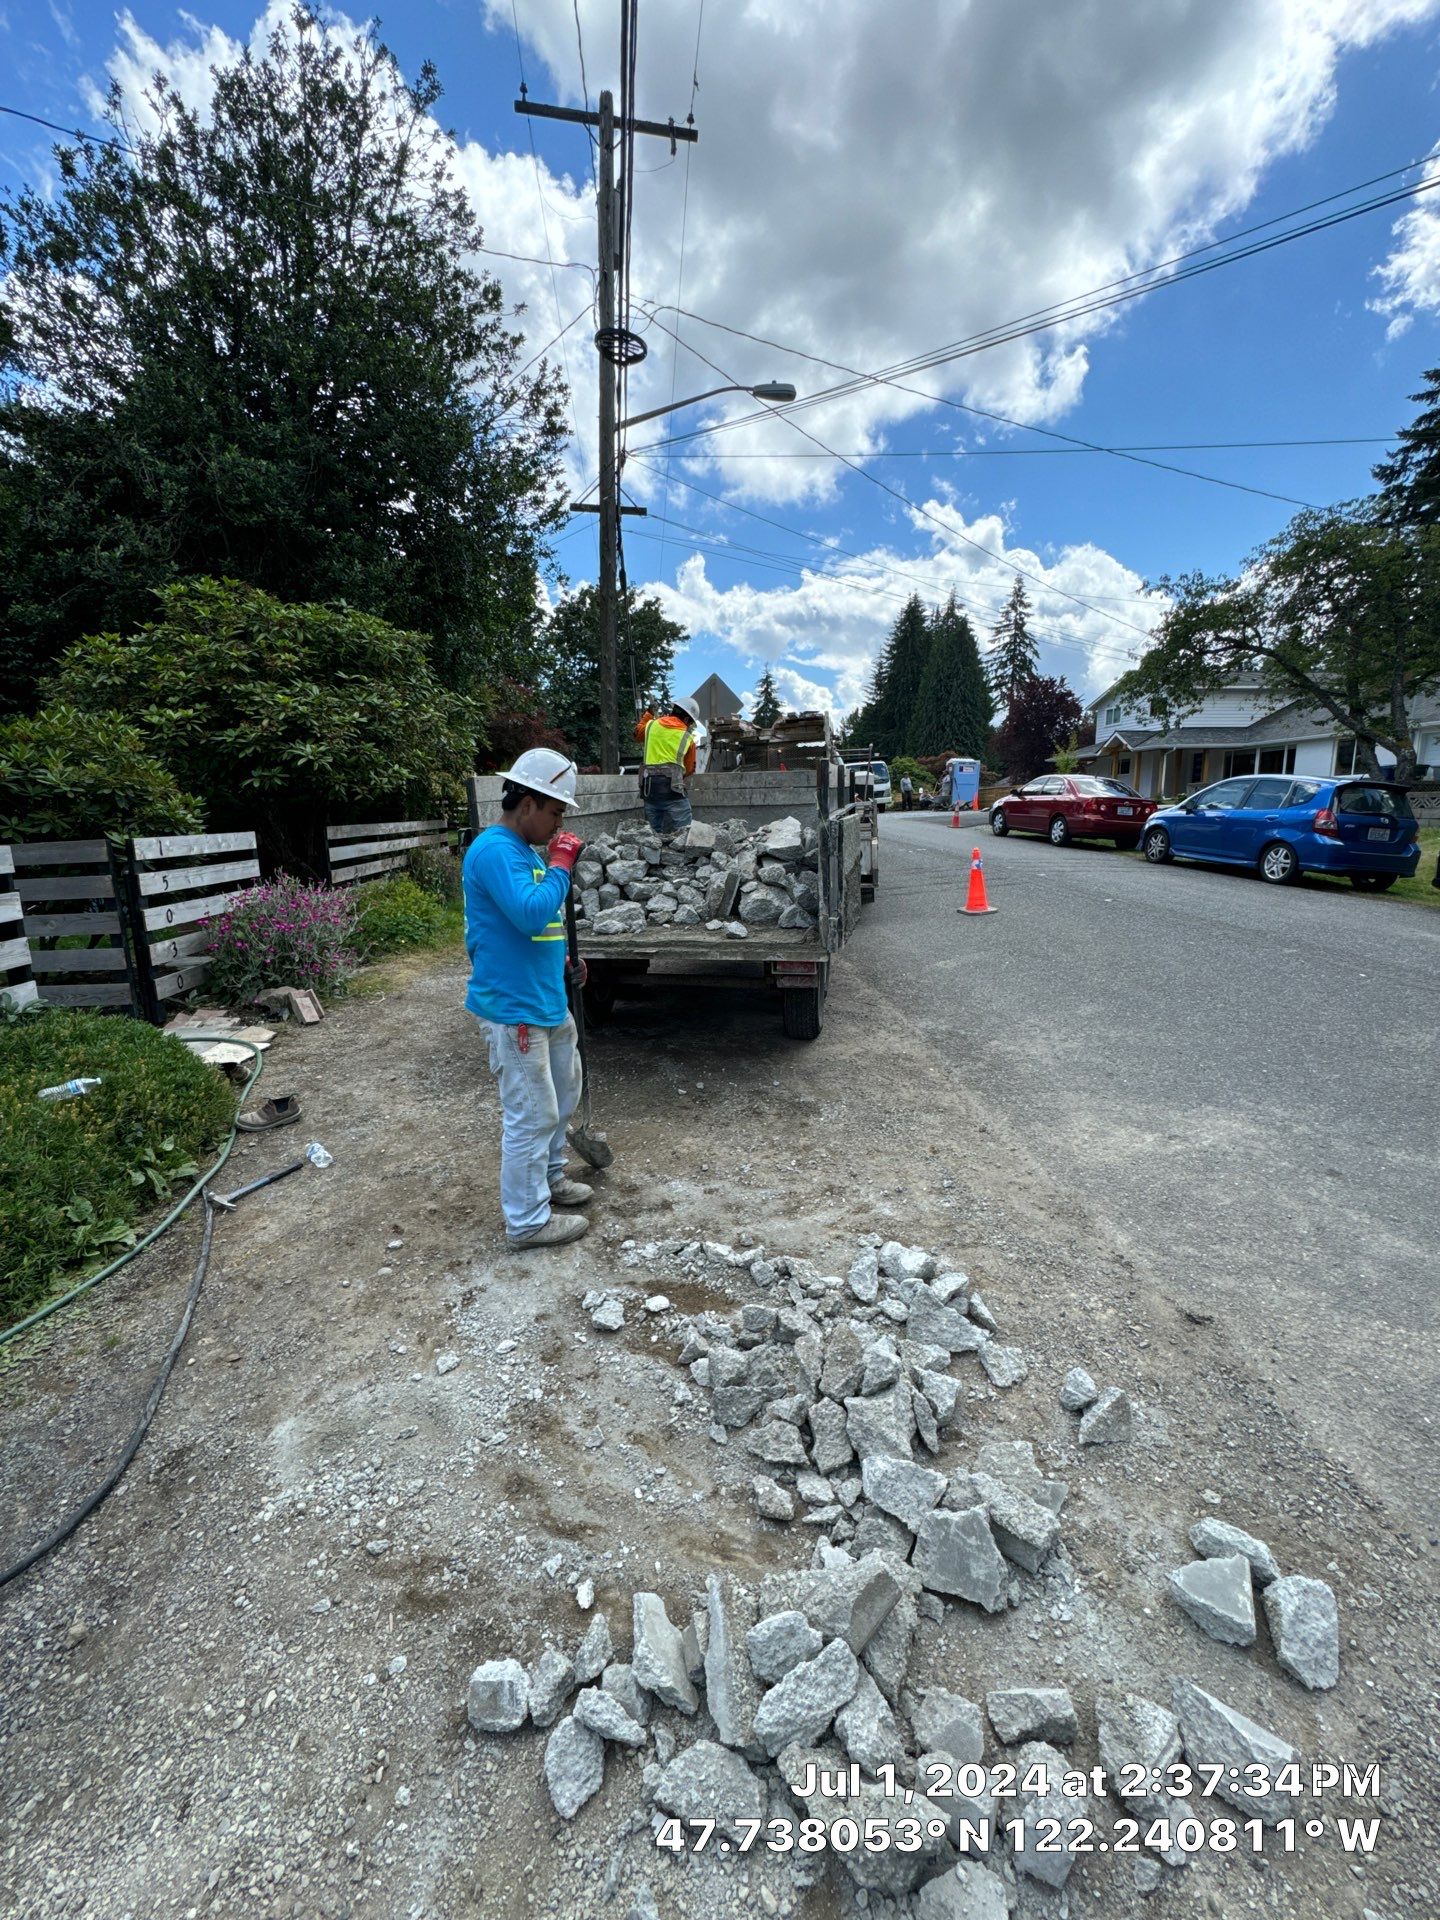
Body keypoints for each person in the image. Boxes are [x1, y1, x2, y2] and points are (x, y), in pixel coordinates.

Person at [463, 748, 594, 1251]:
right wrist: (562, 866)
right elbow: (528, 914)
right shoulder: (496, 850)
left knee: (563, 1095)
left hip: (545, 996)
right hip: (514, 1007)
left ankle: (551, 1178)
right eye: (556, 812)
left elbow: (540, 930)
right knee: (530, 1112)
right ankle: (527, 1222)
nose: (559, 825)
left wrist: (563, 964)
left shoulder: (525, 853)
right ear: (528, 803)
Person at [634, 696, 701, 833]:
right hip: (673, 792)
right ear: (687, 720)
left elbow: (636, 734)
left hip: (649, 790)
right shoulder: (687, 738)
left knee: (652, 835)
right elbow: (689, 770)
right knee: (685, 833)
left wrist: (648, 714)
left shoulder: (651, 726)